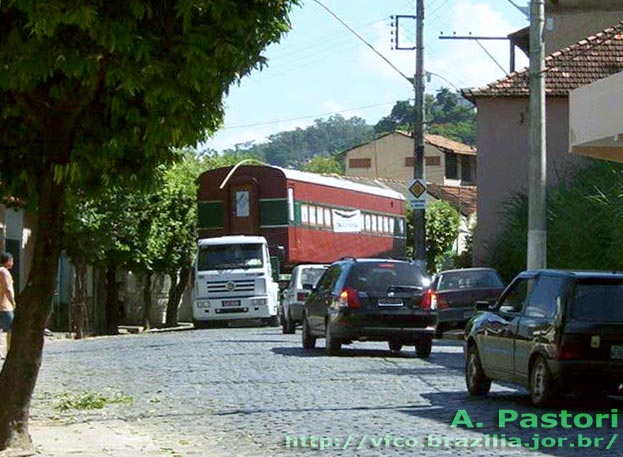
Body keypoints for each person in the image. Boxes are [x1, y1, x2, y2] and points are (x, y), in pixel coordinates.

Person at [0, 252, 16, 358]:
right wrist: (13, 302)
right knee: (12, 328)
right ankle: (11, 350)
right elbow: (7, 288)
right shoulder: (4, 272)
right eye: (12, 260)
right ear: (8, 261)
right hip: (5, 306)